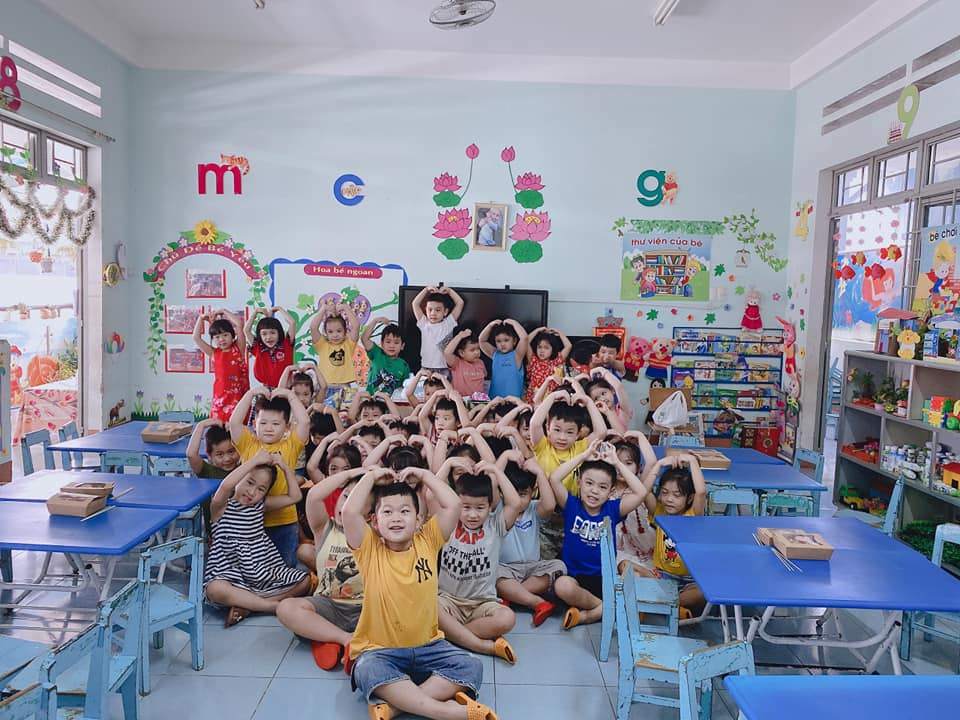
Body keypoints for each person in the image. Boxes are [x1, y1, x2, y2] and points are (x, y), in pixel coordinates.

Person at [342, 467, 494, 720]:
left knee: (471, 666)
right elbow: (349, 512)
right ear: (375, 522)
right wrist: (370, 477)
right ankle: (441, 710)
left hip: (429, 647)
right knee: (367, 668)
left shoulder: (428, 540)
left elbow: (453, 505)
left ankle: (396, 707)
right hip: (380, 650)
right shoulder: (369, 549)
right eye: (387, 512)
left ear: (419, 519)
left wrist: (424, 475)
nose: (396, 518)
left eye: (405, 511)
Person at [547, 440, 650, 629]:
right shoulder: (571, 505)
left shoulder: (613, 509)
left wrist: (617, 462)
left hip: (603, 578)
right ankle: (607, 608)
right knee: (562, 586)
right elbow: (554, 478)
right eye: (589, 483)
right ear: (579, 483)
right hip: (574, 577)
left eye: (602, 487)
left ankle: (588, 616)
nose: (594, 491)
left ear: (611, 491)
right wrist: (584, 456)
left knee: (631, 584)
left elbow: (641, 492)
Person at [204, 451, 310, 627]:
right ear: (239, 477)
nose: (252, 492)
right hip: (229, 573)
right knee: (214, 589)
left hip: (261, 571)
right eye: (249, 482)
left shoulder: (260, 506)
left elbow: (295, 496)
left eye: (261, 489)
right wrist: (253, 461)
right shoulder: (220, 506)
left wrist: (284, 466)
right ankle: (270, 606)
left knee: (305, 581)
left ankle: (248, 606)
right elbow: (225, 486)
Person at [277, 468, 366, 672]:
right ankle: (345, 639)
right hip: (329, 605)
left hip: (366, 609)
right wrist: (352, 473)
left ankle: (326, 637)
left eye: (357, 502)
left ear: (370, 514)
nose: (347, 506)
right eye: (346, 496)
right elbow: (314, 496)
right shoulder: (325, 527)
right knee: (286, 608)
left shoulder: (373, 535)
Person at [437, 465, 521, 664]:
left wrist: (496, 471)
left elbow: (515, 503)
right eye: (465, 507)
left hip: (482, 604)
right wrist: (449, 463)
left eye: (480, 508)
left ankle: (454, 636)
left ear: (490, 506)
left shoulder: (495, 525)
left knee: (508, 618)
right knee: (428, 607)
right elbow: (431, 494)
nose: (472, 515)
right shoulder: (448, 522)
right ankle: (481, 645)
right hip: (448, 601)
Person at [229, 386, 310, 568]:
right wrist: (250, 394)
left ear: (287, 427)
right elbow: (234, 422)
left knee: (284, 568)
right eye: (263, 423)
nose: (269, 428)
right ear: (254, 423)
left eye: (275, 424)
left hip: (285, 521)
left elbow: (304, 422)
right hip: (249, 521)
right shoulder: (248, 443)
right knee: (251, 569)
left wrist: (290, 395)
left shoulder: (291, 444)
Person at [495, 457, 566, 626]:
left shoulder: (534, 508)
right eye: (512, 493)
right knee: (492, 572)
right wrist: (505, 456)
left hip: (534, 568)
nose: (517, 501)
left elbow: (549, 505)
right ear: (502, 491)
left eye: (523, 494)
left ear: (532, 492)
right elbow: (492, 481)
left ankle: (511, 596)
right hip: (506, 569)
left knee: (559, 566)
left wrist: (540, 473)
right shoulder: (498, 509)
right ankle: (537, 602)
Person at [641, 453, 708, 616]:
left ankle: (664, 604)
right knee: (628, 568)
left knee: (702, 593)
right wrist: (658, 465)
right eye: (664, 493)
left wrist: (692, 461)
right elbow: (643, 491)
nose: (669, 499)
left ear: (689, 498)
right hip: (661, 576)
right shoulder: (659, 511)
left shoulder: (693, 515)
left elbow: (701, 492)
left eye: (677, 495)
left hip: (689, 580)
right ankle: (676, 608)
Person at [193, 310, 249, 422]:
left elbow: (239, 324)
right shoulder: (214, 353)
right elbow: (196, 337)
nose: (221, 339)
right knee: (218, 428)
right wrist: (201, 318)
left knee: (237, 427)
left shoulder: (239, 348)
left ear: (233, 335)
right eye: (217, 337)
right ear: (213, 339)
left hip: (239, 398)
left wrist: (223, 311)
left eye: (225, 335)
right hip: (220, 399)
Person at [412, 285, 464, 377]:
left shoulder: (448, 323)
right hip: (426, 368)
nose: (433, 313)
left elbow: (460, 303)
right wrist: (426, 290)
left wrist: (449, 291)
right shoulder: (424, 324)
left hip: (444, 369)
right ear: (425, 310)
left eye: (438, 310)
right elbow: (415, 304)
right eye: (430, 310)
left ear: (445, 312)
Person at [309, 302, 361, 388]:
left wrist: (346, 308)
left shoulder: (349, 344)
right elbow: (313, 327)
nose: (335, 335)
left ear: (345, 331)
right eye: (330, 332)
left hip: (344, 386)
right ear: (326, 333)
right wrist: (323, 309)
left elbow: (356, 326)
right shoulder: (322, 344)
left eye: (339, 331)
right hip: (325, 386)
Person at [244, 306, 296, 389]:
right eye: (264, 334)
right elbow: (246, 330)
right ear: (260, 335)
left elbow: (292, 323)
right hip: (267, 390)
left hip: (286, 389)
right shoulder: (258, 347)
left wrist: (279, 309)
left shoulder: (286, 344)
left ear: (279, 333)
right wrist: (255, 312)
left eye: (272, 333)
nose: (268, 337)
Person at [478, 319, 527, 400]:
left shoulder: (517, 355)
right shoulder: (495, 354)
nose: (502, 344)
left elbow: (524, 338)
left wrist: (513, 323)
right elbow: (481, 340)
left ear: (514, 341)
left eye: (506, 340)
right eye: (498, 341)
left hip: (514, 402)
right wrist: (490, 326)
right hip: (495, 401)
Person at [362, 316, 411, 396]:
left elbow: (405, 388)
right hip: (371, 400)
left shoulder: (404, 365)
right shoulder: (376, 353)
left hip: (391, 402)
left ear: (402, 346)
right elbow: (364, 339)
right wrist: (375, 321)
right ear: (382, 344)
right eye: (388, 342)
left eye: (396, 342)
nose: (392, 346)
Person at [524, 327, 571, 403]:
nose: (542, 351)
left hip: (550, 399)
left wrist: (559, 333)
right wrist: (537, 330)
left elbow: (568, 346)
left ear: (553, 350)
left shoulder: (556, 361)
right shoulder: (533, 360)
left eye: (546, 348)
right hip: (533, 399)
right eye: (539, 347)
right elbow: (525, 342)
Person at [443, 329, 486, 398]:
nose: (477, 352)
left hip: (479, 401)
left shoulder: (480, 362)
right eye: (472, 350)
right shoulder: (457, 363)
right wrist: (459, 336)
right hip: (461, 400)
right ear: (461, 353)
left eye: (478, 349)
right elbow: (447, 353)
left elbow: (485, 375)